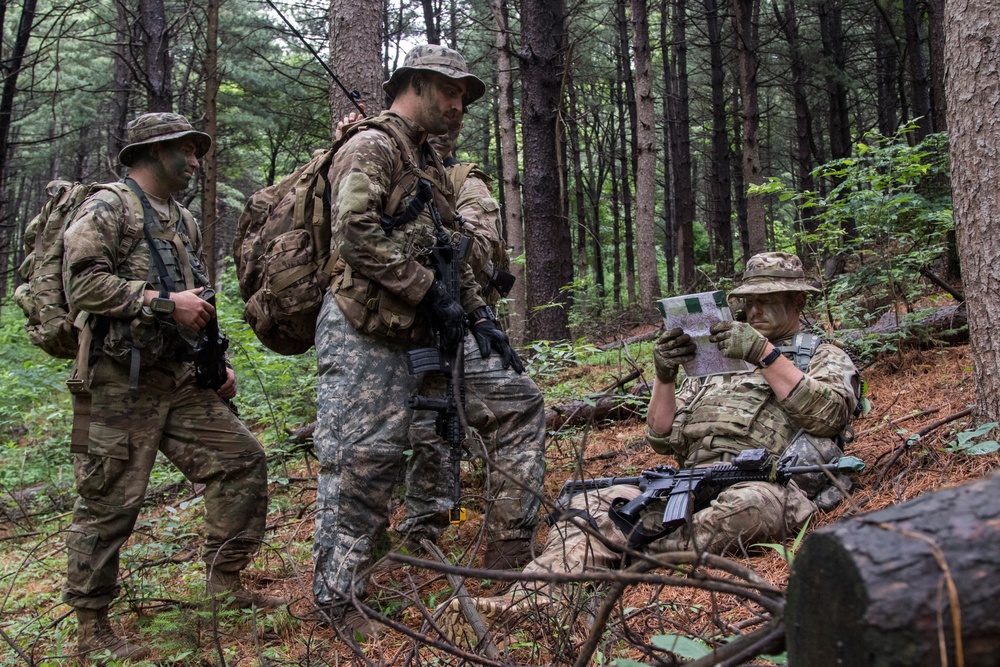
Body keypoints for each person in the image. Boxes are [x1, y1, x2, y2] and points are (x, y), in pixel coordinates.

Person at [438, 251, 860, 642]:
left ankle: (631, 559)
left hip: (766, 484)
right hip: (692, 479)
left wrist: (764, 355)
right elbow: (661, 437)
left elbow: (828, 416)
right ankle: (529, 602)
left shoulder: (823, 356)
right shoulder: (719, 365)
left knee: (747, 508)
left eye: (768, 300)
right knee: (592, 507)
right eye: (749, 301)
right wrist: (664, 375)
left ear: (798, 301)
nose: (754, 311)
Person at [312, 44, 527, 638]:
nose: (460, 105)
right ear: (415, 84)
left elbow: (450, 252)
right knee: (362, 462)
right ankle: (338, 605)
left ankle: (466, 545)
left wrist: (479, 317)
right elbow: (352, 231)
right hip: (365, 329)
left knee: (504, 405)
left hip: (419, 329)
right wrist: (424, 288)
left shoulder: (426, 161)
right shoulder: (372, 145)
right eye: (451, 92)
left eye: (464, 96)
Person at [62, 113, 281, 662]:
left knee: (241, 460)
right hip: (118, 381)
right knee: (109, 502)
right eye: (187, 149)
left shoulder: (181, 218)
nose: (196, 160)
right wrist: (161, 303)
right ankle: (92, 630)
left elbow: (196, 301)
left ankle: (222, 583)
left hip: (178, 378)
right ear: (153, 151)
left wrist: (215, 366)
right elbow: (82, 283)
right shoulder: (108, 205)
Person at [394, 121, 546, 570]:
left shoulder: (451, 179)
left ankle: (427, 541)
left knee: (429, 427)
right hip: (422, 323)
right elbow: (478, 252)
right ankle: (496, 543)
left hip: (428, 321)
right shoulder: (456, 179)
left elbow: (472, 254)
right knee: (507, 408)